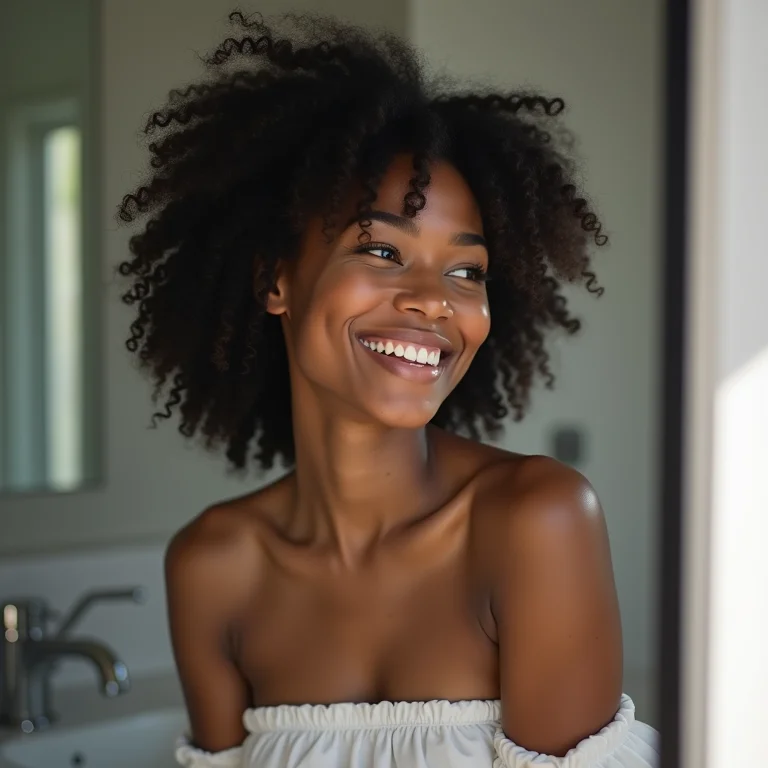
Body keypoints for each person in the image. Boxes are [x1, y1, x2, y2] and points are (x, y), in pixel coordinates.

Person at [117, 9, 659, 767]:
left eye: (467, 270)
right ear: (275, 278)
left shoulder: (536, 522)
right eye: (381, 249)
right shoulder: (212, 567)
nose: (436, 299)